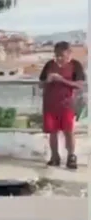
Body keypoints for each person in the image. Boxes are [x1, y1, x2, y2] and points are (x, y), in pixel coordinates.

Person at [39, 42, 86, 170]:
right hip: (50, 104)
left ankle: (71, 156)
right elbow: (40, 84)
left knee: (68, 131)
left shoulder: (75, 65)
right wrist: (47, 81)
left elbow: (79, 85)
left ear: (69, 53)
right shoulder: (49, 65)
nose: (59, 58)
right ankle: (55, 157)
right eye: (56, 55)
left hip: (67, 104)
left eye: (61, 55)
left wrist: (61, 80)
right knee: (52, 132)